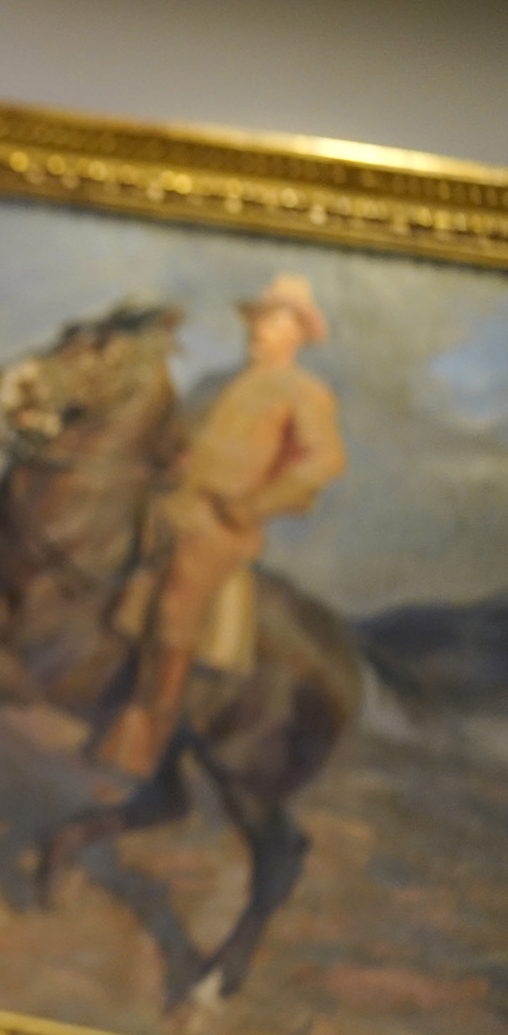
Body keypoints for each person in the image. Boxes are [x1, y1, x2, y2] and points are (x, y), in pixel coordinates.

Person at [98, 273, 345, 775]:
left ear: (299, 332)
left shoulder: (304, 391)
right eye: (257, 319)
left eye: (275, 321)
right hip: (167, 508)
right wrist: (171, 458)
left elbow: (323, 461)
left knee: (176, 606)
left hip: (220, 523)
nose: (259, 329)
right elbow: (174, 435)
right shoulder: (215, 382)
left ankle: (146, 734)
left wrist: (254, 505)